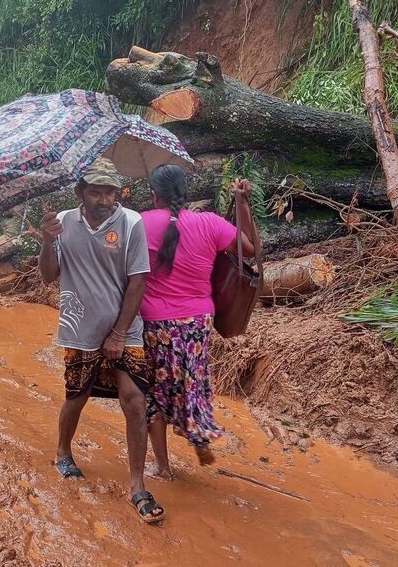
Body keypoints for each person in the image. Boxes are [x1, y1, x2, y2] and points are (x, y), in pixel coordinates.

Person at [38, 157, 164, 524]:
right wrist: (48, 243)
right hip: (79, 328)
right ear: (80, 192)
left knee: (136, 401)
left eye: (110, 191)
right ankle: (63, 452)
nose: (105, 199)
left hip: (126, 328)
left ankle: (138, 485)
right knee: (76, 396)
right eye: (96, 191)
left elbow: (138, 279)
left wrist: (120, 332)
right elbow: (49, 277)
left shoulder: (131, 222)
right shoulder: (62, 223)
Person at [139, 164, 256, 479]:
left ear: (154, 195)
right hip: (198, 320)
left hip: (155, 322)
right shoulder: (210, 224)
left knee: (155, 389)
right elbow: (251, 249)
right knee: (193, 380)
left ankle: (163, 467)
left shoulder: (139, 223)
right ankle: (199, 434)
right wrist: (242, 204)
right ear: (185, 193)